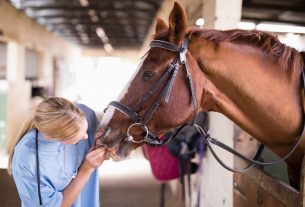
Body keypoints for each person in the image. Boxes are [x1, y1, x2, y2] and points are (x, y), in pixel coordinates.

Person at [7, 97, 107, 207]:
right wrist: (87, 169)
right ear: (53, 138)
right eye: (76, 139)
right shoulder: (27, 158)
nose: (87, 136)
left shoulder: (85, 114)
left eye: (86, 129)